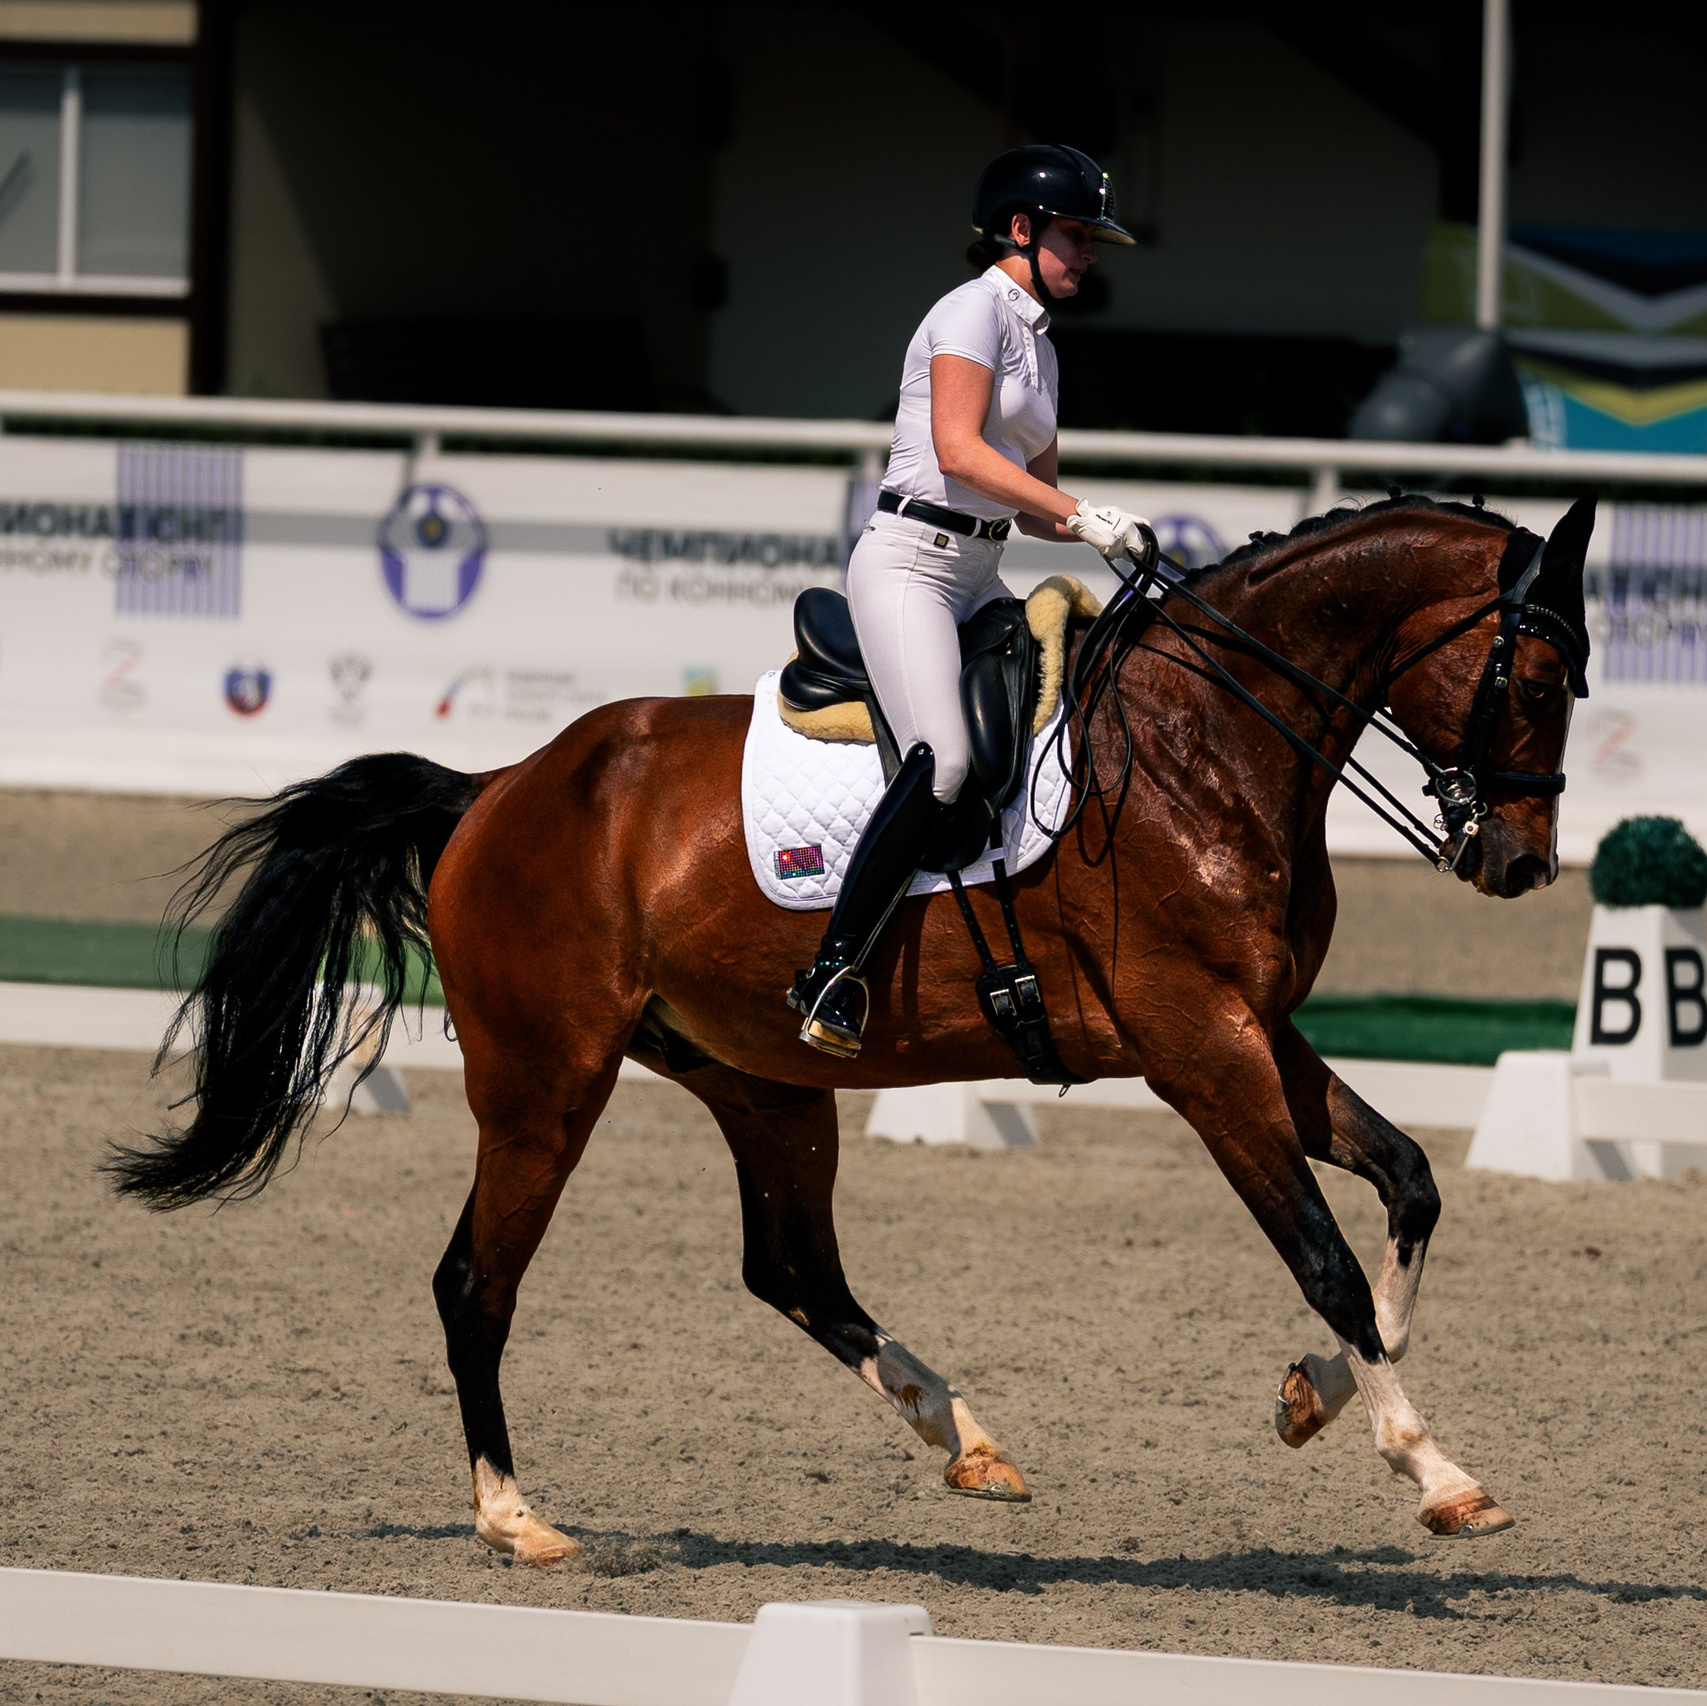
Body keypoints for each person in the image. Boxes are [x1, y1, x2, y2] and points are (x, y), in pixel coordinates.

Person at [788, 143, 1151, 1058]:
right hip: (910, 564)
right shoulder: (969, 311)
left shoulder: (1040, 344)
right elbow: (956, 450)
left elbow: (1032, 515)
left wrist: (1111, 528)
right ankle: (832, 967)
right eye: (1077, 235)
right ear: (1020, 230)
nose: (1091, 252)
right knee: (943, 759)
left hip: (982, 572)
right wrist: (1078, 510)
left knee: (1073, 709)